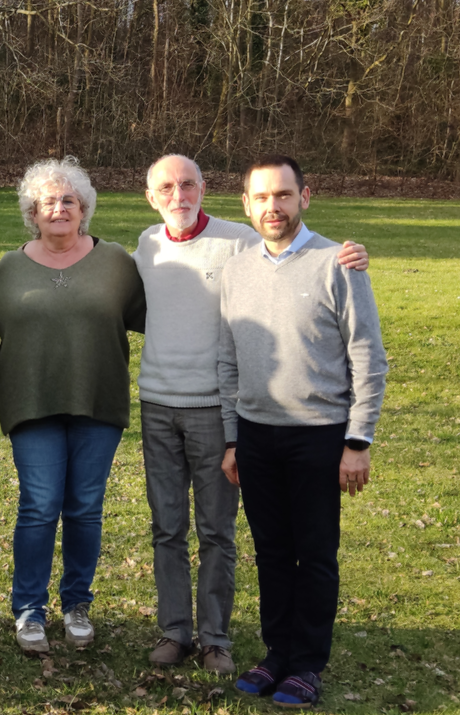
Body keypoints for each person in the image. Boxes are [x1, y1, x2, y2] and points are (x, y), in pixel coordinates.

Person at [132, 154, 369, 675]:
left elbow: (294, 247)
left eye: (188, 184)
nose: (179, 195)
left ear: (206, 189)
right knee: (170, 528)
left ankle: (218, 638)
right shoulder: (146, 246)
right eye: (166, 188)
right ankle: (176, 631)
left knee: (221, 531)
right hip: (170, 408)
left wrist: (346, 253)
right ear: (151, 198)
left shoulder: (239, 239)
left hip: (228, 413)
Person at [220, 155, 387, 708]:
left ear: (304, 197)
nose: (273, 207)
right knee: (270, 549)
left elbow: (367, 356)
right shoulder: (238, 267)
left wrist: (357, 441)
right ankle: (276, 653)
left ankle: (307, 664)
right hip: (255, 434)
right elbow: (228, 359)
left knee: (314, 552)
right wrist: (231, 437)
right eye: (262, 197)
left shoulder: (338, 263)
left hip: (319, 433)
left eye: (284, 196)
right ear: (246, 204)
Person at [0, 156, 146, 654]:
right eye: (48, 201)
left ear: (84, 209)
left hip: (99, 402)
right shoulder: (9, 269)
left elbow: (162, 315)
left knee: (84, 508)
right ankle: (29, 609)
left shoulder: (117, 262)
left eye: (68, 200)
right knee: (38, 506)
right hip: (32, 405)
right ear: (32, 212)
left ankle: (76, 604)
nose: (59, 209)